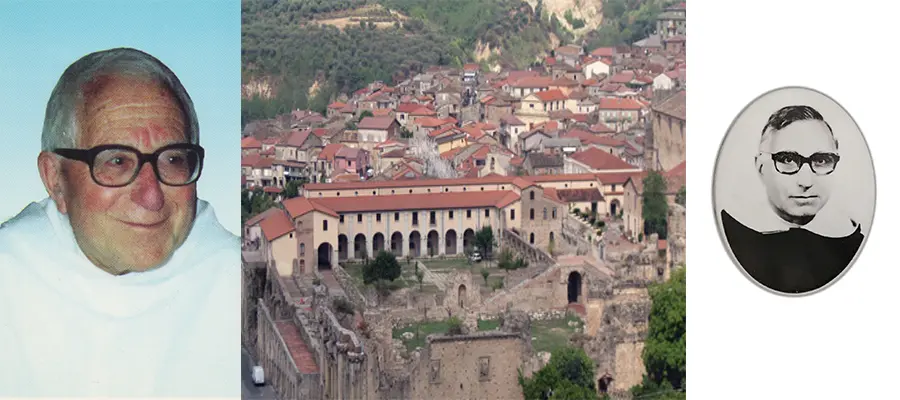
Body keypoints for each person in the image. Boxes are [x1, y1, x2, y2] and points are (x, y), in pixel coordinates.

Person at [0, 48, 238, 397]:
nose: (152, 196)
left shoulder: (231, 274)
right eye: (116, 161)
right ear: (55, 180)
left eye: (172, 159)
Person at [721, 105, 864, 294]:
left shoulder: (853, 244)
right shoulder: (730, 238)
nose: (805, 182)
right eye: (787, 160)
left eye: (821, 160)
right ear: (761, 167)